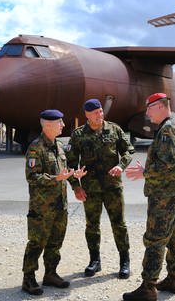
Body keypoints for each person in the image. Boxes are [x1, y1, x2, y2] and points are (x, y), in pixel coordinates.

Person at [122, 93, 175, 301]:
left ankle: (148, 287)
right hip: (173, 191)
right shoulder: (171, 125)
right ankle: (174, 279)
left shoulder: (167, 129)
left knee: (155, 238)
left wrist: (145, 173)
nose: (147, 113)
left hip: (165, 195)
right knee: (174, 235)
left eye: (149, 108)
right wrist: (147, 168)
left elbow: (168, 162)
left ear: (160, 106)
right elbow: (167, 162)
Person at [66, 98, 135, 279]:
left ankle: (124, 262)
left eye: (101, 112)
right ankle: (94, 261)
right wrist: (76, 187)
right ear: (87, 115)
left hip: (113, 187)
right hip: (90, 189)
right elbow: (71, 163)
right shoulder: (78, 135)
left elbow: (129, 150)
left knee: (119, 224)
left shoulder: (114, 129)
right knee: (92, 225)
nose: (100, 115)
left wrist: (121, 165)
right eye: (96, 113)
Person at [22, 109, 87, 296]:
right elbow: (32, 177)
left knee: (55, 242)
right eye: (60, 122)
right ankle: (28, 279)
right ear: (48, 125)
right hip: (42, 208)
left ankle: (50, 273)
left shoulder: (58, 146)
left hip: (60, 205)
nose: (63, 125)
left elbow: (65, 171)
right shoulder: (36, 148)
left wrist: (75, 181)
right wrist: (55, 178)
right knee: (37, 242)